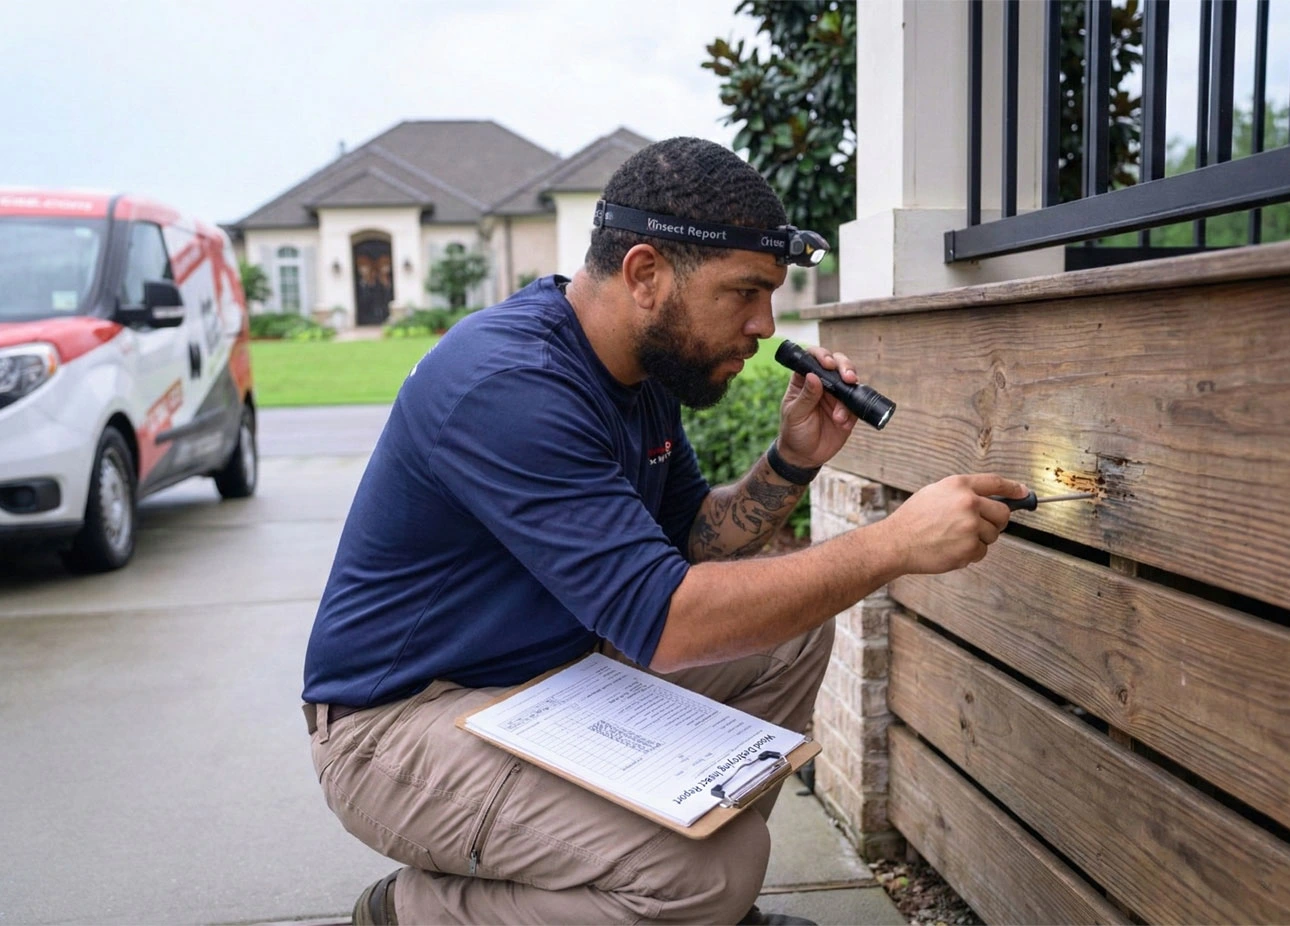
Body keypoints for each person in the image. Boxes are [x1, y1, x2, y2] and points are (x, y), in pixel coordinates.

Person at [302, 136, 1026, 926]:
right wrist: (892, 545)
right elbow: (670, 624)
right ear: (646, 274)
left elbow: (693, 542)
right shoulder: (507, 385)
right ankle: (419, 911)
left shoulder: (639, 375)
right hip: (398, 726)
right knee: (712, 871)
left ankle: (677, 899)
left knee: (786, 639)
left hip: (546, 684)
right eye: (746, 292)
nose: (763, 324)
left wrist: (790, 461)